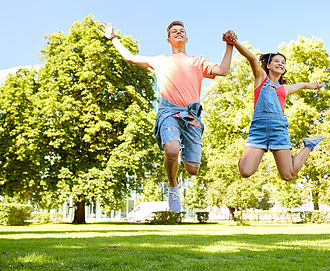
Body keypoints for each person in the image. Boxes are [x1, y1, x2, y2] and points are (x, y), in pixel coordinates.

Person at [101, 21, 236, 212]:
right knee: (172, 150)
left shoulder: (198, 61)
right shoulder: (161, 60)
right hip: (169, 112)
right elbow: (130, 58)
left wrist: (229, 45)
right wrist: (113, 38)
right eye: (174, 32)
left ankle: (179, 152)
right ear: (169, 39)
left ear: (187, 38)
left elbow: (222, 70)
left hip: (191, 114)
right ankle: (173, 186)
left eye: (182, 31)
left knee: (193, 169)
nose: (178, 33)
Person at [223, 31, 325, 181]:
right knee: (245, 171)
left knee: (288, 175)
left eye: (283, 63)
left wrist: (314, 85)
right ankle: (247, 154)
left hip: (279, 129)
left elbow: (302, 85)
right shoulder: (260, 79)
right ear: (269, 65)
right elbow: (251, 58)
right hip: (258, 130)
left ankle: (309, 145)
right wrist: (234, 42)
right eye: (277, 61)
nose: (280, 64)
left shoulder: (284, 88)